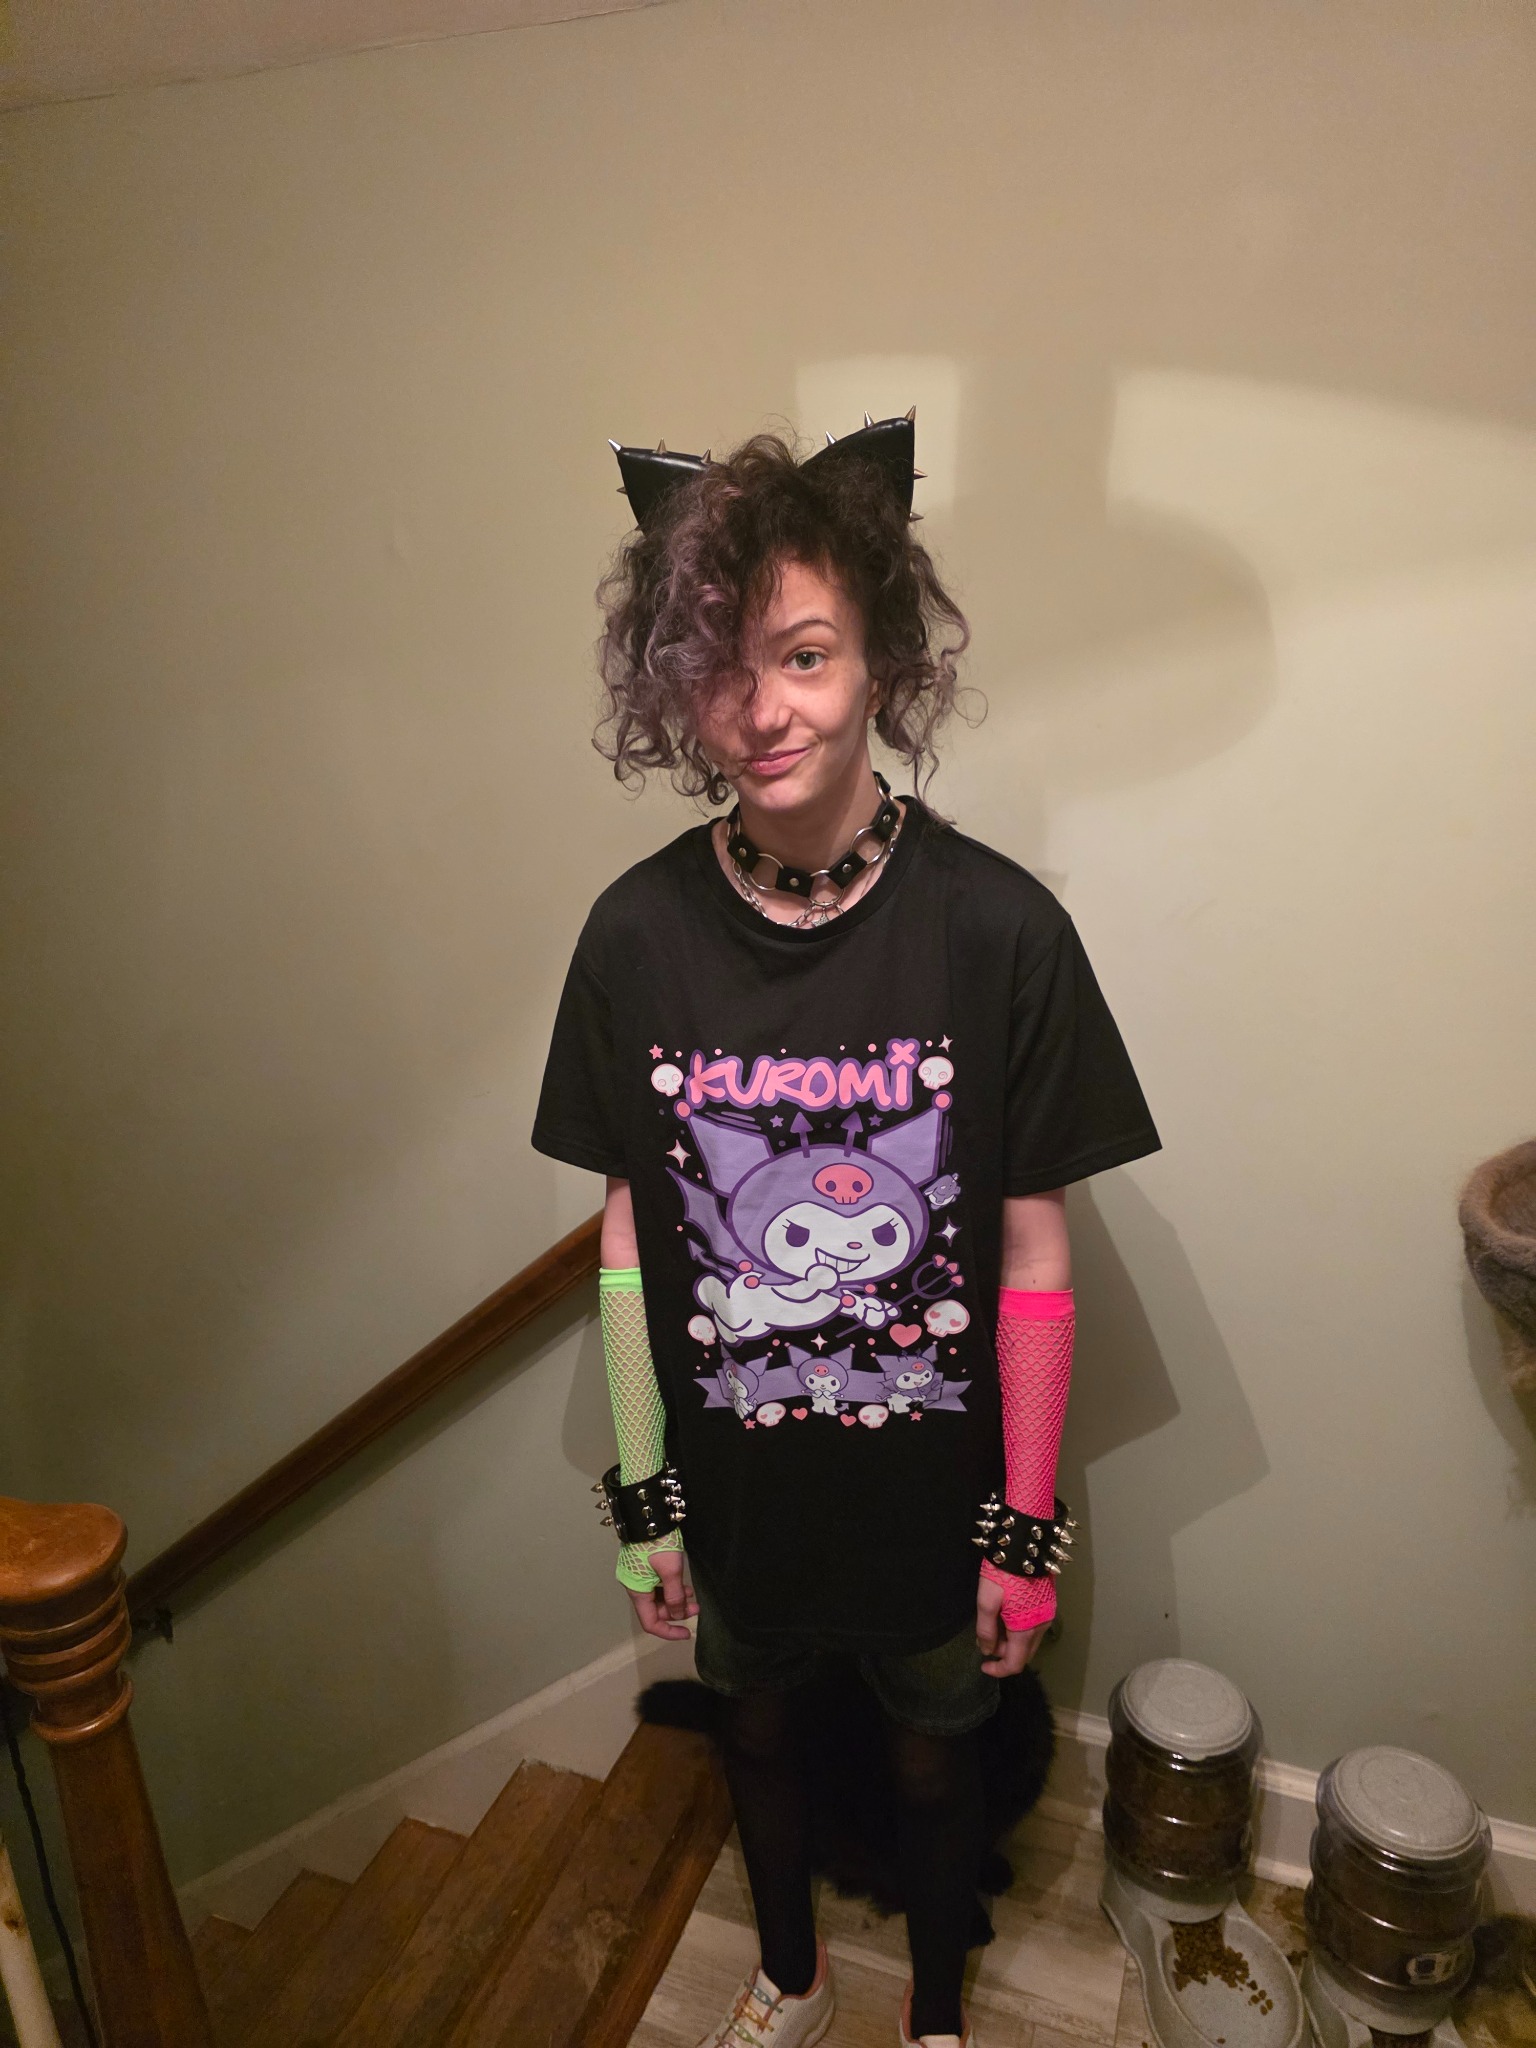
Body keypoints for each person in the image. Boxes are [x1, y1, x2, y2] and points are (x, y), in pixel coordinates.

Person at [532, 417, 1161, 2048]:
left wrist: (1023, 1528)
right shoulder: (633, 938)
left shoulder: (1002, 932)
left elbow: (1034, 1258)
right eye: (719, 669)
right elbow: (627, 1238)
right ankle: (796, 1979)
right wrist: (644, 1497)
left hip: (927, 1511)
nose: (763, 711)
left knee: (934, 1763)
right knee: (753, 1735)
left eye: (804, 656)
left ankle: (936, 2016)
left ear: (881, 659)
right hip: (741, 1502)